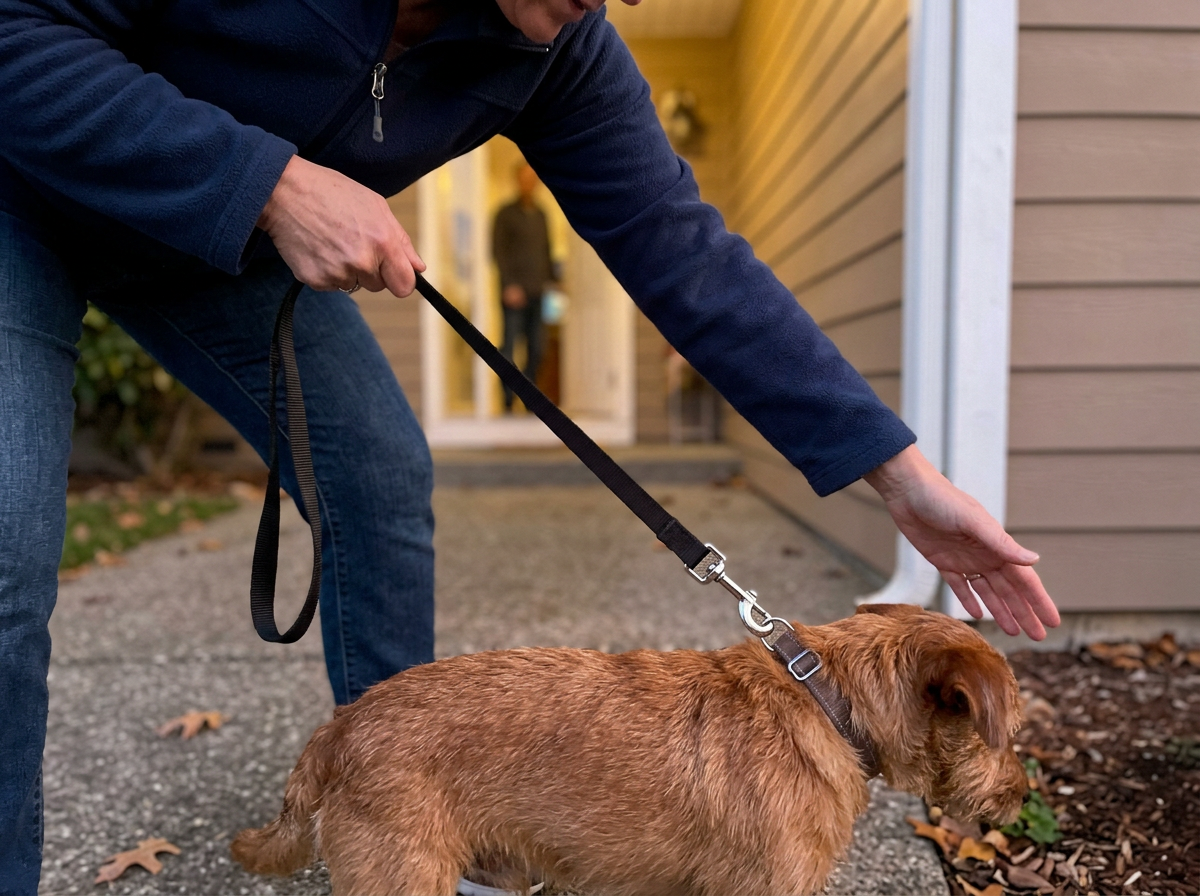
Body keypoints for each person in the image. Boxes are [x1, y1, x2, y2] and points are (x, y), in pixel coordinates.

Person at [0, 0, 1060, 889]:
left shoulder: (559, 44)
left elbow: (689, 256)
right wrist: (271, 180)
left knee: (378, 473)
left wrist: (903, 477)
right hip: (27, 188)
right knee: (5, 546)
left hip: (214, 252)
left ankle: (426, 813)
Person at [492, 162, 555, 411]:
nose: (529, 184)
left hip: (539, 292)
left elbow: (547, 251)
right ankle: (507, 400)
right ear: (517, 181)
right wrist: (509, 285)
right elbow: (498, 252)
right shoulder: (504, 214)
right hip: (514, 292)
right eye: (524, 179)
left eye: (533, 179)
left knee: (538, 348)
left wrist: (553, 281)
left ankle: (530, 399)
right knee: (508, 348)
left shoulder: (542, 215)